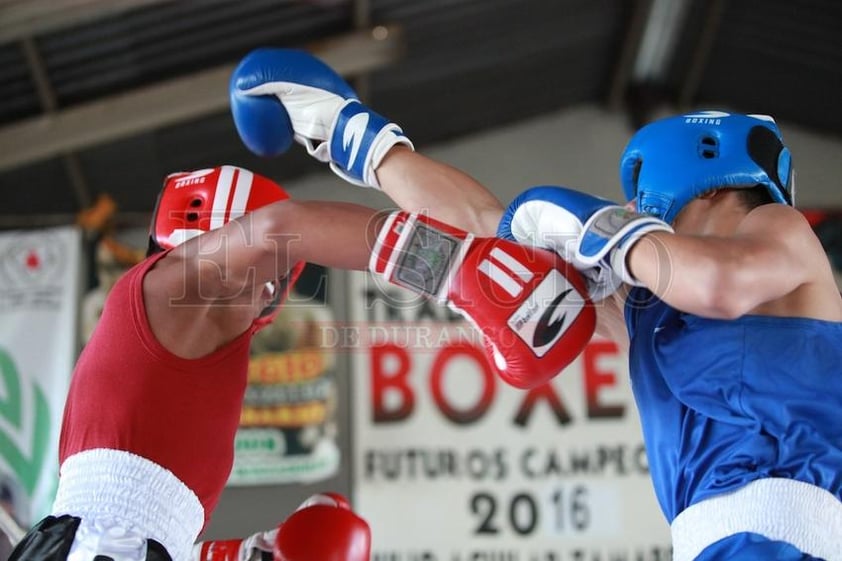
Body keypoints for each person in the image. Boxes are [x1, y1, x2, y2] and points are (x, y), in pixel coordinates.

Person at [228, 48, 842, 560]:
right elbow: (492, 232)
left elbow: (719, 284)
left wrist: (607, 233)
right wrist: (351, 134)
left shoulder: (781, 232)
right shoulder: (649, 302)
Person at [8, 166, 378, 561]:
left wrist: (250, 553)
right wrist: (437, 259)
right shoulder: (167, 287)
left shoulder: (198, 344)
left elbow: (138, 537)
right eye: (275, 269)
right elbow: (281, 226)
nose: (275, 284)